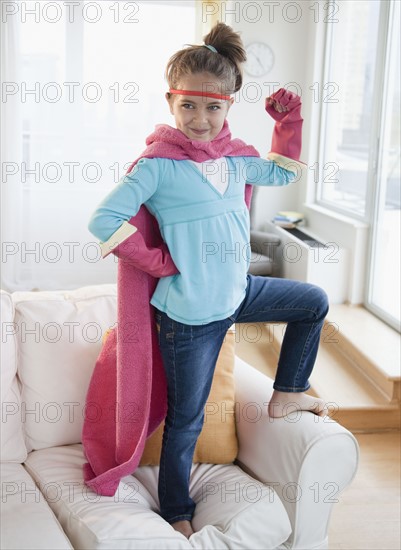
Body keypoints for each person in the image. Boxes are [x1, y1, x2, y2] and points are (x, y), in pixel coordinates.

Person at [88, 22, 329, 540]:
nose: (200, 118)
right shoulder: (156, 166)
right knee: (187, 421)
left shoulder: (237, 157)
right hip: (191, 317)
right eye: (189, 106)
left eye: (213, 107)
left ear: (228, 106)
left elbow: (284, 172)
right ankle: (176, 505)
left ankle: (288, 390)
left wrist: (289, 122)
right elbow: (103, 222)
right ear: (171, 102)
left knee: (313, 302)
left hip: (237, 295)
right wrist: (158, 263)